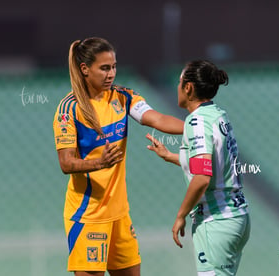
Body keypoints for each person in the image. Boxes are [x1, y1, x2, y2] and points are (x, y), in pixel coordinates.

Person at [53, 37, 184, 276]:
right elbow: (66, 163)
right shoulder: (68, 109)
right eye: (104, 68)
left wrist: (197, 126)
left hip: (120, 216)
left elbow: (158, 119)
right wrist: (99, 163)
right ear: (85, 69)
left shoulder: (123, 98)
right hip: (88, 217)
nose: (111, 73)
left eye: (113, 67)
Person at [146, 60, 250, 275]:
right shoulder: (217, 114)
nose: (177, 87)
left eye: (179, 82)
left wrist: (180, 215)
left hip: (216, 221)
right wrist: (171, 156)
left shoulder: (197, 122)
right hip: (237, 217)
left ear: (188, 88)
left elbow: (202, 177)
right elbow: (215, 164)